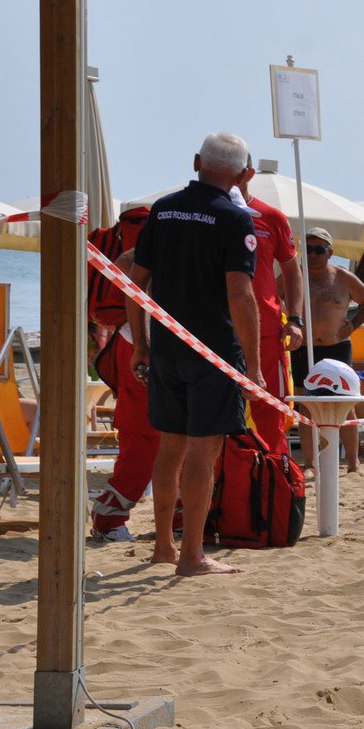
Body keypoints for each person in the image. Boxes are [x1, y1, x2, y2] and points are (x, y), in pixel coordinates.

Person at [125, 133, 261, 577]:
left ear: (197, 161)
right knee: (204, 454)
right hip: (214, 351)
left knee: (170, 448)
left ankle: (163, 546)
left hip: (167, 346)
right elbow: (241, 296)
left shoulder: (163, 209)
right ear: (243, 175)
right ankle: (193, 556)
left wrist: (141, 343)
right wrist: (254, 370)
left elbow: (135, 279)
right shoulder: (234, 218)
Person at [88, 206, 157, 542]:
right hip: (146, 346)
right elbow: (128, 263)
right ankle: (109, 515)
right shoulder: (184, 231)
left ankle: (175, 515)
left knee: (151, 436)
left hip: (136, 342)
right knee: (146, 436)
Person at [292, 226, 364, 473]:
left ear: (329, 252)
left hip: (337, 348)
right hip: (305, 348)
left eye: (318, 250)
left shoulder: (342, 277)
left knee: (346, 404)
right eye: (307, 250)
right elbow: (269, 297)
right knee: (305, 404)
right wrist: (288, 324)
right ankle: (310, 463)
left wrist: (353, 324)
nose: (312, 255)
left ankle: (353, 463)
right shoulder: (295, 277)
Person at [237, 160, 303, 454]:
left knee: (270, 416)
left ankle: (277, 483)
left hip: (265, 332)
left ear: (248, 174)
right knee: (212, 416)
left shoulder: (270, 217)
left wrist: (296, 319)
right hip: (217, 331)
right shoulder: (206, 214)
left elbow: (292, 270)